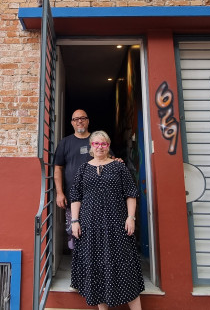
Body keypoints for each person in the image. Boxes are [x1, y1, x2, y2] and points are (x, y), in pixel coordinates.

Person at [70, 130, 144, 310]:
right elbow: (76, 196)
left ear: (108, 146)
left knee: (125, 269)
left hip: (117, 225)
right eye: (96, 143)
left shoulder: (119, 167)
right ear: (91, 147)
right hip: (90, 226)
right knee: (97, 270)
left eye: (103, 143)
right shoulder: (84, 169)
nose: (100, 147)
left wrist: (131, 217)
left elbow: (130, 194)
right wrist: (75, 221)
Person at [54, 109, 93, 249]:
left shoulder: (96, 141)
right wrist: (59, 192)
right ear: (72, 123)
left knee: (93, 231)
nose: (79, 121)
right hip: (72, 197)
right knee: (74, 231)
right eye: (76, 119)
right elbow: (57, 168)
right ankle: (78, 263)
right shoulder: (65, 143)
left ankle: (92, 261)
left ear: (88, 121)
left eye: (83, 118)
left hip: (95, 197)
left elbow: (110, 160)